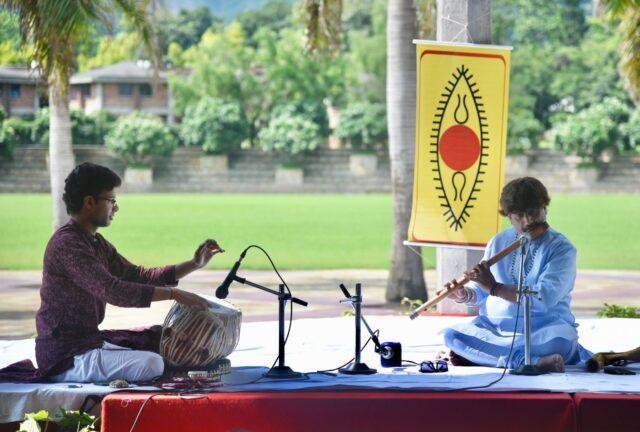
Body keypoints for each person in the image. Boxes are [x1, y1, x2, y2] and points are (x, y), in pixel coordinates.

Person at [2, 162, 223, 383]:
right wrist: (174, 294)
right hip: (65, 355)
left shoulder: (95, 242)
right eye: (111, 201)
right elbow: (113, 290)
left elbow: (139, 275)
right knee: (153, 362)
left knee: (161, 337)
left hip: (89, 341)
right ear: (90, 202)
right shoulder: (67, 244)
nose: (115, 208)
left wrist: (194, 264)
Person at [441, 177, 581, 373]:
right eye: (519, 216)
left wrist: (495, 288)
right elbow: (483, 293)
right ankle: (529, 361)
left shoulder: (562, 249)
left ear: (545, 207)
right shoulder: (499, 241)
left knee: (561, 342)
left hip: (546, 330)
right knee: (451, 335)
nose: (527, 222)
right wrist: (465, 294)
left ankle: (488, 357)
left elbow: (544, 297)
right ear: (508, 216)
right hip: (496, 330)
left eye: (533, 213)